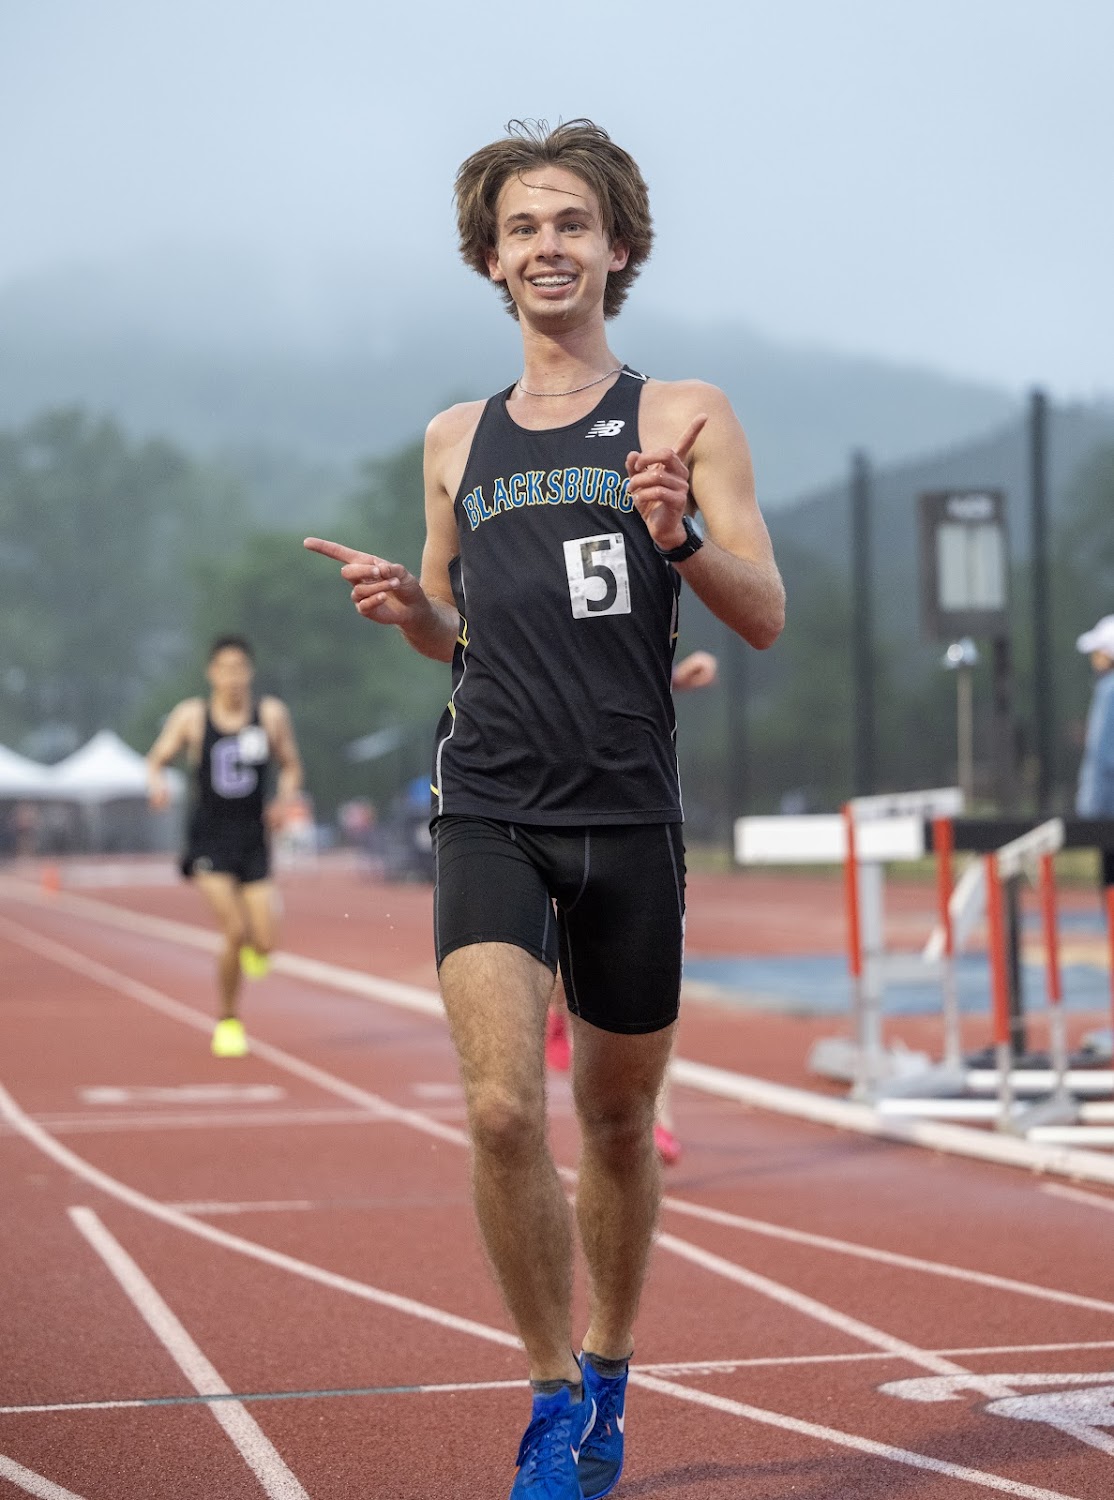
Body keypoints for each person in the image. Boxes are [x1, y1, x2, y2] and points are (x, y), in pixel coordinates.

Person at [305, 119, 784, 1500]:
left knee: (617, 1124)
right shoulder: (455, 437)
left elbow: (763, 613)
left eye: (570, 222)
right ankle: (548, 1395)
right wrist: (410, 610)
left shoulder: (685, 413)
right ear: (489, 260)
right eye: (521, 228)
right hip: (490, 802)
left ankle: (611, 1363)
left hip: (627, 812)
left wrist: (679, 536)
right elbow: (452, 629)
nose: (546, 246)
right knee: (505, 1111)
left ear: (617, 247)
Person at [544, 650, 721, 1168]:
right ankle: (559, 1011)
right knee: (565, 937)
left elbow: (619, 667)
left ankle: (658, 1117)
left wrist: (673, 678)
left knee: (651, 969)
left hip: (635, 796)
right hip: (547, 790)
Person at [146, 635, 303, 1058]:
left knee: (264, 942)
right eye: (225, 669)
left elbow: (290, 765)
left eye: (240, 669)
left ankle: (256, 943)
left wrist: (284, 800)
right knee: (233, 930)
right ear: (211, 673)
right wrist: (157, 784)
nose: (233, 678)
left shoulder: (269, 714)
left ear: (250, 672)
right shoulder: (193, 716)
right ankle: (228, 1020)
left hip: (253, 840)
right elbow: (157, 758)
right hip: (209, 840)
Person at [1076, 615, 1114, 899]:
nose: (1094, 659)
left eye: (1099, 652)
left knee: (1110, 882)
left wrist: (1092, 808)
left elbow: (1102, 755)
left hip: (1108, 809)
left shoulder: (1108, 690)